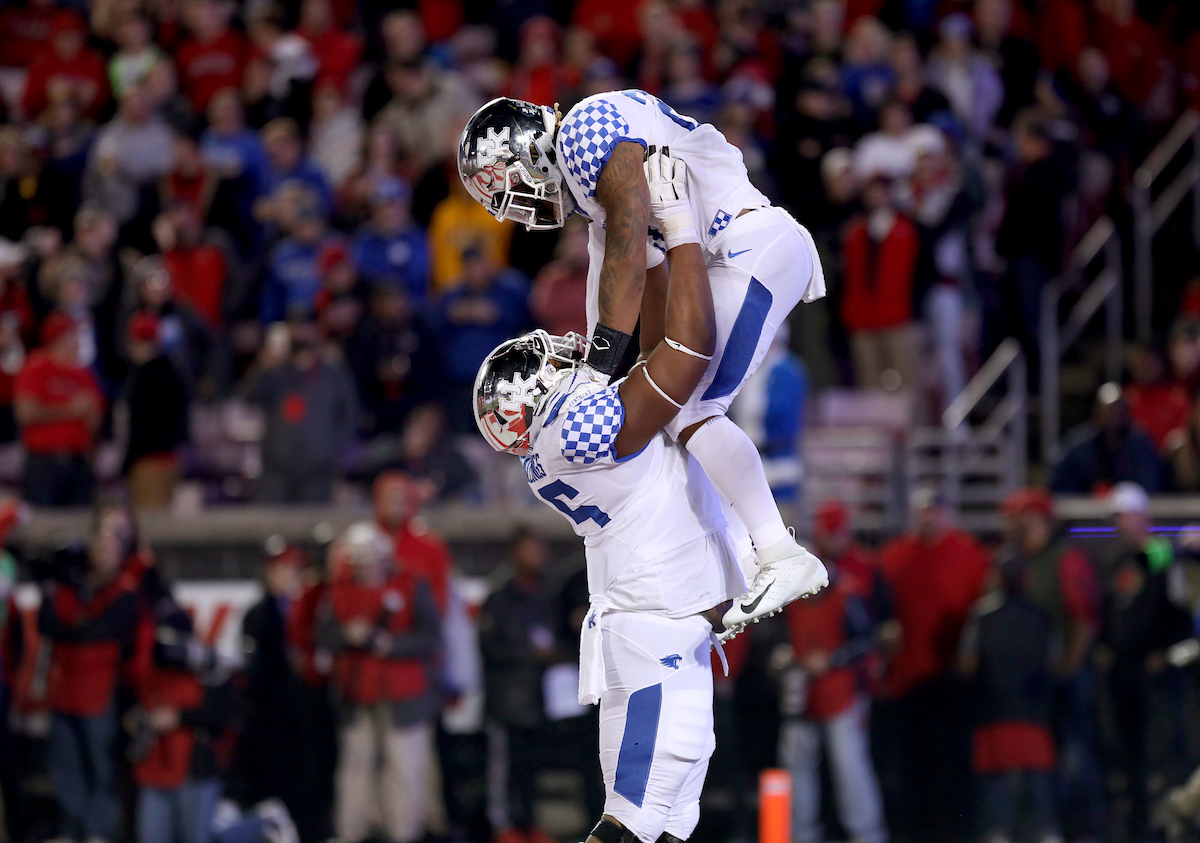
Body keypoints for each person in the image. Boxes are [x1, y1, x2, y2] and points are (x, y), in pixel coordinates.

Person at [469, 150, 817, 843]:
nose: (562, 353)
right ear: (531, 400)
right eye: (546, 363)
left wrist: (648, 254)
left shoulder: (556, 441)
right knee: (632, 821)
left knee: (668, 822)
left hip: (657, 625)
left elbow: (653, 350)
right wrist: (680, 230)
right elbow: (685, 352)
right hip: (654, 629)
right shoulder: (574, 426)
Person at [459, 91, 828, 630]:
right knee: (681, 409)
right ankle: (751, 558)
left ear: (529, 152)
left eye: (514, 190)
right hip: (732, 251)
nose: (525, 209)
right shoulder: (596, 201)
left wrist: (595, 372)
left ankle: (780, 554)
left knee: (690, 407)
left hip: (748, 242)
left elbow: (629, 250)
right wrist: (603, 369)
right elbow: (616, 280)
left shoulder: (584, 130)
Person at [876, 486, 990, 843]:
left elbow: (983, 613)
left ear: (948, 512)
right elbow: (879, 610)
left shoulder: (969, 554)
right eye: (923, 510)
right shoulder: (894, 556)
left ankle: (959, 829)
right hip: (908, 676)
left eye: (935, 509)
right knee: (914, 761)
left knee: (957, 757)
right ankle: (918, 830)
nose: (929, 517)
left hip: (954, 675)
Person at [318, 521, 440, 843]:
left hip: (404, 695)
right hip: (356, 694)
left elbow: (431, 636)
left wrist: (392, 645)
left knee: (404, 770)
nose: (367, 569)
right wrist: (347, 634)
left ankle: (403, 833)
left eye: (372, 561)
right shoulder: (340, 590)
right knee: (355, 770)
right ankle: (352, 832)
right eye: (360, 562)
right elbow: (323, 635)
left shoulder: (411, 584)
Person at [999, 488, 1103, 838]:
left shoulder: (1065, 559)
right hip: (1034, 680)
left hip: (1066, 677)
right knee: (1042, 759)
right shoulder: (1017, 561)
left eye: (1017, 517)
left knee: (1075, 754)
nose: (1010, 524)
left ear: (1037, 518)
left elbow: (1084, 620)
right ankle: (1047, 827)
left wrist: (1069, 669)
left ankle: (1085, 829)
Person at [37, 502, 141, 843]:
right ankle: (74, 829)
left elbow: (96, 630)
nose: (104, 554)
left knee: (101, 768)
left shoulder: (125, 590)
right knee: (65, 766)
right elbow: (47, 623)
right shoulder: (74, 582)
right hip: (64, 691)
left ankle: (98, 831)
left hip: (99, 695)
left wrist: (72, 629)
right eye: (100, 546)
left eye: (111, 548)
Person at [1102, 482, 1193, 842]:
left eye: (1125, 515)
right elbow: (1116, 611)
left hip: (1157, 674)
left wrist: (1166, 654)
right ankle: (1138, 829)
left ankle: (1169, 824)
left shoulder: (1159, 553)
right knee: (1129, 755)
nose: (1120, 523)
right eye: (1116, 517)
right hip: (1124, 674)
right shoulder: (1121, 563)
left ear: (1142, 516)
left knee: (1162, 751)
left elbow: (1175, 606)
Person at [776, 557, 886, 843]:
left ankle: (867, 834)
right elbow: (780, 642)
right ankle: (800, 835)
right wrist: (783, 658)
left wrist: (833, 659)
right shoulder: (789, 599)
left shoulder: (846, 594)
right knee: (795, 766)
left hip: (843, 693)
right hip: (801, 693)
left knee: (849, 766)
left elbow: (867, 641)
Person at [957, 560, 1060, 843]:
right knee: (1036, 775)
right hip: (1033, 708)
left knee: (995, 777)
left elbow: (966, 663)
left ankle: (998, 832)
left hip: (993, 708)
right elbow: (1053, 663)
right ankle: (1046, 831)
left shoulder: (981, 615)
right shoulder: (1043, 616)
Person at [478, 529, 558, 843]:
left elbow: (558, 641)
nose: (536, 557)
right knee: (503, 769)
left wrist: (553, 655)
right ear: (514, 553)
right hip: (505, 699)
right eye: (529, 550)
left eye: (540, 550)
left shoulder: (545, 596)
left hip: (536, 697)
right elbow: (488, 647)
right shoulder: (499, 597)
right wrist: (531, 653)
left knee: (530, 768)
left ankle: (529, 823)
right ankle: (504, 826)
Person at [239, 320, 358, 504]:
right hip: (276, 469)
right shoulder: (276, 370)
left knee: (314, 521)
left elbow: (350, 413)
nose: (302, 333)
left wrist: (332, 450)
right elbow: (247, 398)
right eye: (296, 328)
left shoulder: (332, 372)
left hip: (317, 470)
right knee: (269, 520)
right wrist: (262, 365)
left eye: (307, 327)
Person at [238, 539, 307, 824]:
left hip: (303, 706)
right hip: (269, 710)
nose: (289, 575)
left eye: (293, 569)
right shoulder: (259, 613)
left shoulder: (305, 608)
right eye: (282, 569)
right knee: (271, 771)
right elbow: (254, 667)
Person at [14, 311, 104, 507]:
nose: (77, 342)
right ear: (58, 338)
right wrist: (71, 409)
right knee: (44, 520)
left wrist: (91, 417)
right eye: (73, 335)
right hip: (44, 461)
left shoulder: (84, 374)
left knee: (79, 521)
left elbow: (95, 420)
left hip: (78, 462)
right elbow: (26, 413)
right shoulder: (36, 366)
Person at [122, 312, 190, 510]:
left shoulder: (144, 377)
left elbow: (141, 424)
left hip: (149, 463)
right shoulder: (174, 372)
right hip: (172, 460)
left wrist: (126, 463)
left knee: (150, 520)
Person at [1051, 382, 1163, 493]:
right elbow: (1062, 484)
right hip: (1085, 503)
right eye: (1108, 410)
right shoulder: (1078, 444)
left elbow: (1149, 485)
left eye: (1117, 410)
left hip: (1126, 503)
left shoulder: (1140, 445)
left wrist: (1117, 494)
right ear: (1096, 412)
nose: (1112, 417)